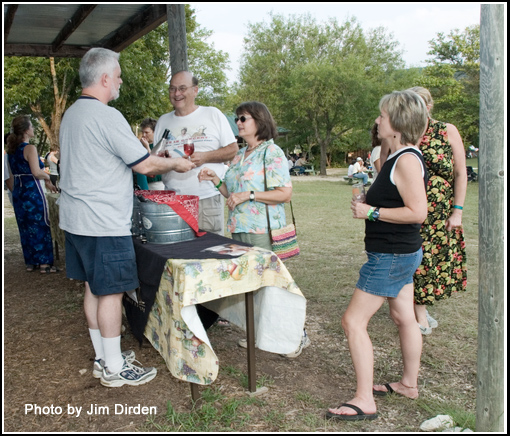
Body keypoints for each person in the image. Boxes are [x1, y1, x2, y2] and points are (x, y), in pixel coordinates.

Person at [58, 48, 195, 388]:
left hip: (76, 221)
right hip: (103, 223)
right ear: (104, 78)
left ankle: (104, 358)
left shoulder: (73, 114)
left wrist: (150, 156)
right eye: (117, 75)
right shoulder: (107, 115)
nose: (119, 80)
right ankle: (115, 368)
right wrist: (175, 164)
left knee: (93, 288)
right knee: (112, 294)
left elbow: (116, 158)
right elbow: (145, 165)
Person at [327, 90, 428, 421]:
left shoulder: (407, 160)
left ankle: (363, 399)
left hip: (390, 256)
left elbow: (417, 212)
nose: (377, 120)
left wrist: (370, 213)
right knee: (404, 318)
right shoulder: (399, 156)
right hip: (401, 253)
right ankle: (408, 384)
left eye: (382, 116)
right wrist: (368, 206)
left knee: (353, 321)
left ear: (396, 122)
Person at [198, 101, 310, 358]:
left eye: (243, 118)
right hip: (240, 229)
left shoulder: (271, 153)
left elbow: (285, 193)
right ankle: (263, 334)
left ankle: (297, 336)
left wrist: (247, 195)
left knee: (274, 285)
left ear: (259, 121)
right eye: (237, 118)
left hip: (263, 230)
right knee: (253, 285)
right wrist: (215, 180)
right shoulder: (240, 154)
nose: (238, 123)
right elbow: (231, 193)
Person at [408, 86, 468, 335]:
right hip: (409, 209)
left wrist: (458, 211)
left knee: (431, 262)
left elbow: (460, 172)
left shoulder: (446, 130)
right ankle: (418, 313)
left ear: (429, 107)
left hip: (439, 212)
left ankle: (420, 308)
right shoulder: (403, 133)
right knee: (413, 261)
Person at [153, 71, 238, 235]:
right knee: (178, 255)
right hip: (173, 202)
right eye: (172, 89)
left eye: (182, 88)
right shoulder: (163, 121)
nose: (177, 93)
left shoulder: (212, 114)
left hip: (206, 200)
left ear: (195, 90)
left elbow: (232, 150)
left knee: (210, 255)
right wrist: (165, 161)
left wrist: (205, 157)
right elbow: (154, 161)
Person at [6, 116, 58, 273]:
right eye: (32, 127)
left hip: (19, 191)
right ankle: (44, 263)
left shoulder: (11, 150)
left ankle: (31, 261)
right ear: (26, 130)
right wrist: (49, 177)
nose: (34, 129)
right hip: (31, 190)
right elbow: (36, 172)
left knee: (25, 225)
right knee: (40, 223)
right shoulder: (29, 148)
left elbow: (10, 175)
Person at [136, 117, 165, 190]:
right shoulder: (139, 146)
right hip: (142, 185)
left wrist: (147, 148)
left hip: (157, 184)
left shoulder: (160, 145)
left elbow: (153, 163)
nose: (143, 135)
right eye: (142, 132)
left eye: (146, 132)